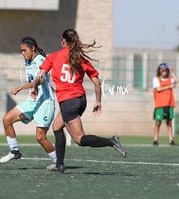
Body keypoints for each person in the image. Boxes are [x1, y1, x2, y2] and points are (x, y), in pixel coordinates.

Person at [34, 29, 126, 173]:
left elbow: (40, 76)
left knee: (79, 139)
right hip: (80, 100)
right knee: (57, 127)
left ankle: (111, 141)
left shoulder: (53, 56)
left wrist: (34, 87)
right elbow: (96, 82)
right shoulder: (81, 59)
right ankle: (59, 164)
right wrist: (98, 101)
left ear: (63, 41)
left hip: (68, 102)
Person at [0, 37, 57, 166]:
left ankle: (58, 162)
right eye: (21, 51)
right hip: (32, 102)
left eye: (24, 50)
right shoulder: (28, 62)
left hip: (45, 103)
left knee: (40, 137)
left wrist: (20, 87)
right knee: (7, 119)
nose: (23, 53)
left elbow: (40, 80)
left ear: (33, 48)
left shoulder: (40, 61)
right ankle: (14, 151)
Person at [152, 63, 178, 146]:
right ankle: (155, 139)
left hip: (169, 103)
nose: (164, 72)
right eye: (162, 71)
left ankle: (171, 140)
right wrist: (169, 86)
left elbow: (176, 81)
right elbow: (158, 89)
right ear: (159, 71)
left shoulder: (170, 79)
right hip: (160, 104)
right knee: (158, 122)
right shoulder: (156, 79)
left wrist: (172, 71)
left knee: (169, 123)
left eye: (166, 71)